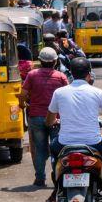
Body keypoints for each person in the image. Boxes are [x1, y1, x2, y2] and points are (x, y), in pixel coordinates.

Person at [45, 57, 102, 199]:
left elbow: (49, 121)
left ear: (71, 73)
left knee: (53, 150)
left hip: (65, 143)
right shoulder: (97, 92)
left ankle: (57, 186)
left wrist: (55, 121)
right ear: (89, 74)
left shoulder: (59, 92)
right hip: (94, 142)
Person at [20, 47, 68, 187]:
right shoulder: (61, 77)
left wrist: (23, 105)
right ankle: (57, 177)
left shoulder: (32, 75)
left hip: (36, 117)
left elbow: (23, 94)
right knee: (56, 148)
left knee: (39, 148)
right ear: (55, 61)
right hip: (56, 119)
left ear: (40, 60)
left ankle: (40, 178)